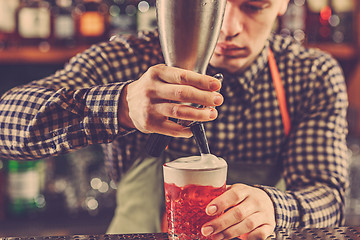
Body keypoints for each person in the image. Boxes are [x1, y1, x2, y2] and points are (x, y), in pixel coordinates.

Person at [0, 0, 349, 239]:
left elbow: (328, 198)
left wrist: (274, 207)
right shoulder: (129, 58)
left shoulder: (310, 74)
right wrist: (122, 105)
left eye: (254, 6)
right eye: (211, 6)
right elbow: (7, 123)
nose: (230, 28)